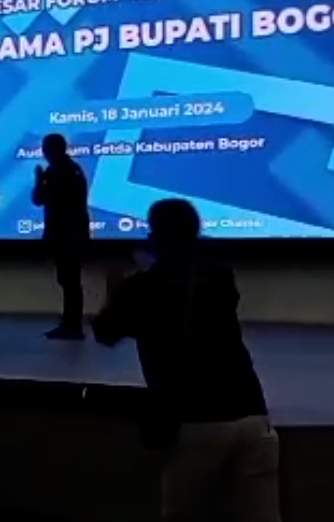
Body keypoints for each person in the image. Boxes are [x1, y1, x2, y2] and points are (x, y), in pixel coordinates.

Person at [92, 199, 279, 522]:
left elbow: (106, 332)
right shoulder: (220, 277)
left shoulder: (142, 288)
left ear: (154, 236)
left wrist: (115, 287)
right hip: (250, 412)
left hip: (193, 420)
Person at [32, 132, 91, 340]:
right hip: (70, 234)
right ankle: (70, 324)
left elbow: (40, 198)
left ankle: (72, 325)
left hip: (68, 235)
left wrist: (39, 180)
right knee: (69, 280)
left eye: (46, 148)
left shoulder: (61, 171)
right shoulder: (67, 169)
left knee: (70, 281)